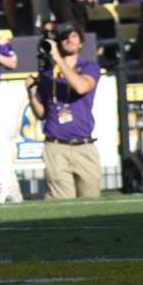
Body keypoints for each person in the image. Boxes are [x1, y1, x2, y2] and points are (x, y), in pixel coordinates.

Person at [25, 23, 101, 199]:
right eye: (64, 37)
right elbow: (42, 114)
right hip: (56, 146)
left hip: (84, 145)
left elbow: (81, 87)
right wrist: (31, 93)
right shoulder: (47, 74)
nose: (69, 40)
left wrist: (57, 59)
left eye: (73, 36)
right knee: (61, 206)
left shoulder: (89, 67)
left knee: (92, 204)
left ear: (81, 43)